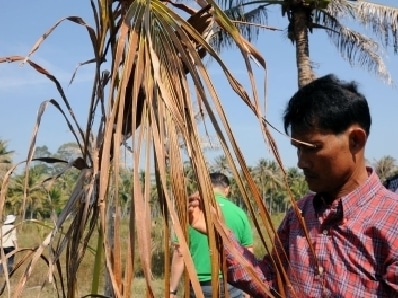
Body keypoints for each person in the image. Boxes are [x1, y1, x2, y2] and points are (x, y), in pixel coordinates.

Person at [189, 74, 398, 297]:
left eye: (312, 148)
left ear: (355, 140)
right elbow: (270, 279)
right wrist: (218, 233)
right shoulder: (299, 214)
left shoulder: (391, 222)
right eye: (297, 148)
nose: (300, 162)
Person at [170, 172, 253, 298]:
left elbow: (180, 252)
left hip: (201, 287)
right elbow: (248, 251)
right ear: (227, 189)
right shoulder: (239, 213)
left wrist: (172, 289)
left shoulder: (193, 210)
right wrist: (249, 289)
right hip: (233, 285)